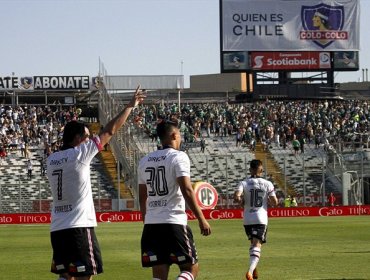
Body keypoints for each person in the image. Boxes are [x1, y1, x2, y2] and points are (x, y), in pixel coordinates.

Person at [46, 86, 145, 280]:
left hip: (58, 228)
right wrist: (129, 107)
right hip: (78, 227)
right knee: (85, 275)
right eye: (87, 136)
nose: (90, 139)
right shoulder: (80, 153)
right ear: (77, 138)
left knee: (66, 275)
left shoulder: (51, 159)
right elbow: (110, 130)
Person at [138, 119, 211, 280]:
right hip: (173, 221)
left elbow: (142, 196)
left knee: (158, 273)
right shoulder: (179, 157)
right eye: (180, 135)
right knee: (191, 269)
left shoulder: (144, 161)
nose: (181, 139)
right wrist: (201, 219)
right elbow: (186, 189)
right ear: (173, 135)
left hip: (151, 225)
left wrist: (147, 220)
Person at [234, 159, 278, 280]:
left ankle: (254, 270)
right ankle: (250, 271)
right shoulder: (267, 183)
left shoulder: (244, 183)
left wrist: (239, 199)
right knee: (257, 245)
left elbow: (237, 196)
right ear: (261, 170)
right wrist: (269, 200)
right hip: (260, 218)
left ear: (250, 169)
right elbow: (275, 202)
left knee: (253, 244)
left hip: (247, 219)